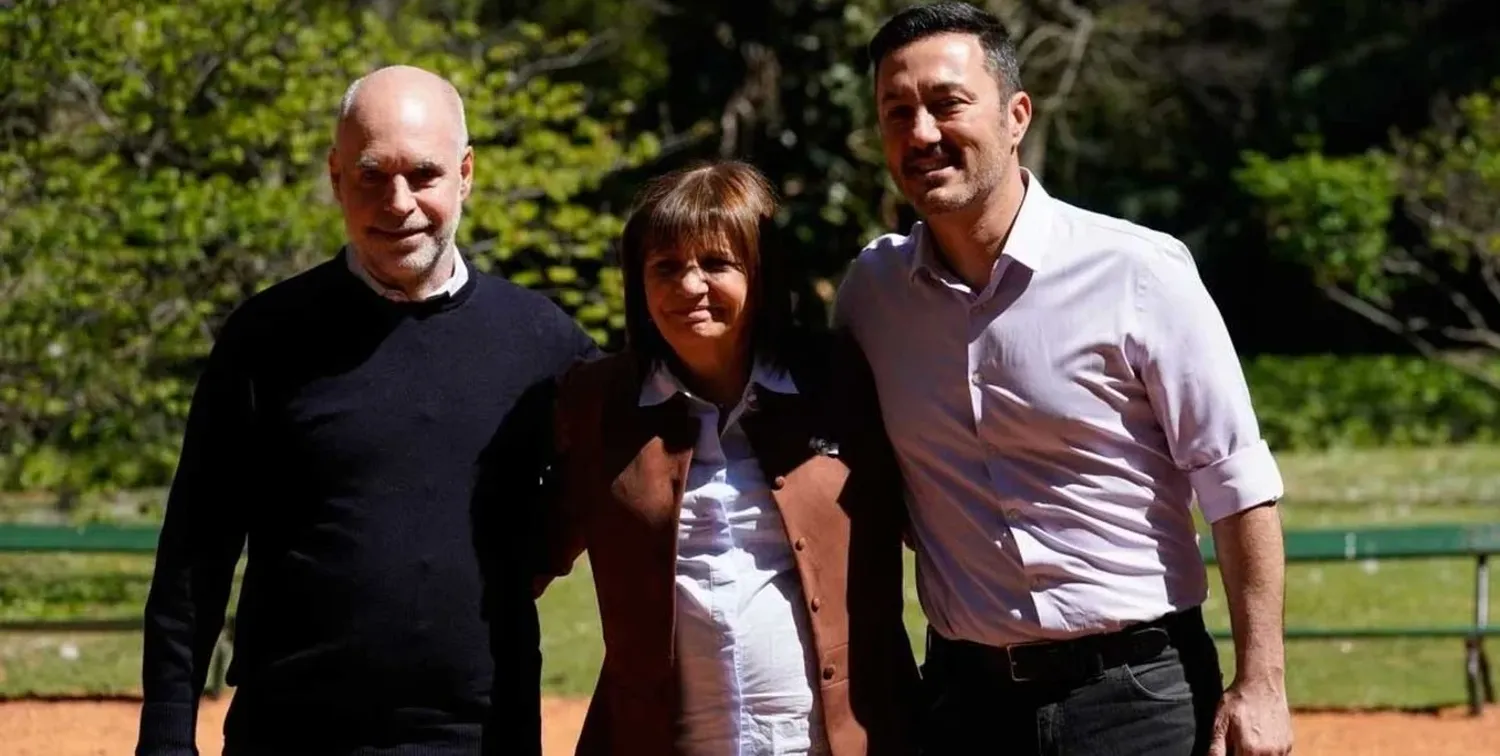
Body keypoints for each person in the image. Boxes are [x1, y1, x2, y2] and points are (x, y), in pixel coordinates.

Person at [833, 4, 1293, 756]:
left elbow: (1238, 485)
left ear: (1016, 115)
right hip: (963, 703)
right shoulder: (872, 295)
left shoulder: (1138, 271)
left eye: (947, 104)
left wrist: (1263, 685)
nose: (921, 134)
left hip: (1140, 697)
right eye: (897, 112)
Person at [136, 65, 597, 756]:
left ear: (466, 173)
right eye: (372, 175)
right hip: (289, 734)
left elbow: (630, 468)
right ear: (335, 177)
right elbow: (194, 556)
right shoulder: (266, 337)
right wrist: (166, 734)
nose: (399, 202)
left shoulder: (542, 341)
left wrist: (546, 549)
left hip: (481, 738)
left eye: (424, 174)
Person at [533, 160, 921, 755]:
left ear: (761, 276)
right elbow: (530, 549)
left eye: (716, 263)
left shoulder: (840, 382)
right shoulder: (598, 404)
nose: (690, 287)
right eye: (666, 267)